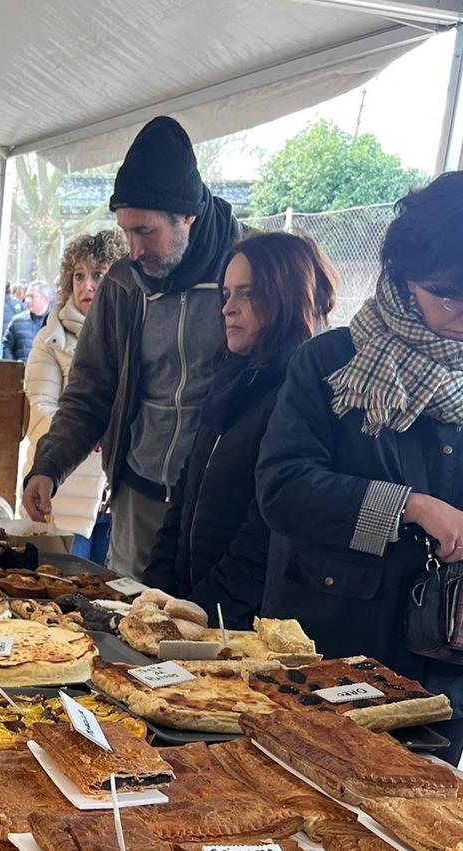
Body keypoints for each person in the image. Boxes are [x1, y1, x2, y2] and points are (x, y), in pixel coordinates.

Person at [256, 169, 463, 765]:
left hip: (455, 658)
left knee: (420, 811)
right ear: (404, 273)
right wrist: (408, 507)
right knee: (306, 800)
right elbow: (282, 487)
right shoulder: (331, 363)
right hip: (334, 648)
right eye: (452, 293)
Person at [22, 116, 243, 577]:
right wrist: (49, 465)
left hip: (220, 504)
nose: (133, 249)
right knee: (129, 625)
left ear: (187, 216)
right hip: (138, 497)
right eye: (125, 232)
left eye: (145, 232)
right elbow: (90, 388)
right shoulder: (123, 284)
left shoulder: (246, 274)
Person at [143, 232, 338, 628]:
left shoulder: (299, 397)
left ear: (285, 295)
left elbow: (263, 534)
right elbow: (184, 495)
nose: (228, 309)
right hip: (193, 612)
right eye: (227, 294)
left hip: (239, 626)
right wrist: (158, 593)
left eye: (247, 294)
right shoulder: (231, 381)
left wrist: (202, 613)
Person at [22, 232, 127, 561]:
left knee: (109, 596)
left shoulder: (131, 337)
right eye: (78, 275)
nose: (87, 285)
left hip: (116, 496)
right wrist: (89, 434)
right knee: (62, 589)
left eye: (98, 275)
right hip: (65, 491)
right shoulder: (51, 339)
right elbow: (40, 410)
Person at [3, 280, 53, 362]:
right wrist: (12, 366)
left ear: (45, 298)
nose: (27, 300)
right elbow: (6, 346)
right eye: (27, 296)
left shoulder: (55, 323)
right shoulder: (17, 321)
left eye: (32, 297)